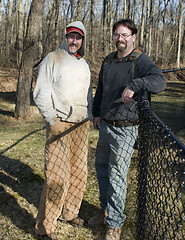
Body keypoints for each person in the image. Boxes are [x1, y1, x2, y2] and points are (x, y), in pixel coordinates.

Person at [88, 19, 166, 240]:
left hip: (126, 129)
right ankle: (105, 211)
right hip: (106, 125)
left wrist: (134, 85)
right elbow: (101, 89)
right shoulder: (109, 60)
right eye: (116, 34)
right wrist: (97, 113)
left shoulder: (139, 60)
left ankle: (114, 225)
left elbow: (159, 82)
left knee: (117, 176)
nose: (119, 39)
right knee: (102, 169)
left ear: (133, 37)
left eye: (124, 35)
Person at [33, 21, 92, 240]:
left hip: (81, 124)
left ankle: (70, 213)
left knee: (78, 172)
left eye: (78, 38)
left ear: (83, 40)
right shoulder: (53, 58)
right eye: (71, 37)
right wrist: (51, 120)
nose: (74, 41)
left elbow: (88, 95)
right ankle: (45, 227)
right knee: (57, 175)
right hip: (59, 123)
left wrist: (91, 113)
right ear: (65, 37)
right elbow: (40, 92)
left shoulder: (84, 64)